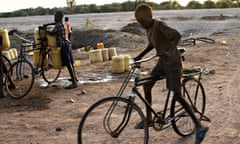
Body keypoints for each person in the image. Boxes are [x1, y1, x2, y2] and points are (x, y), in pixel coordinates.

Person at [133, 4, 208, 143]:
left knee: (178, 96)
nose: (141, 24)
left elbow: (177, 35)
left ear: (149, 17)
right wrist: (139, 56)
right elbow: (152, 44)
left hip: (173, 63)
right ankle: (149, 119)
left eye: (142, 21)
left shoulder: (159, 25)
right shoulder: (149, 29)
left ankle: (199, 127)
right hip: (162, 63)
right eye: (139, 22)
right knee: (146, 85)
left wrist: (170, 51)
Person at [46, 11, 77, 89]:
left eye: (56, 16)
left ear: (59, 17)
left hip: (63, 46)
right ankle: (75, 78)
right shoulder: (64, 23)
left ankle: (74, 83)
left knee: (67, 63)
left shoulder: (58, 25)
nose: (54, 18)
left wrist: (45, 30)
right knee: (71, 62)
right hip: (68, 43)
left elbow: (51, 33)